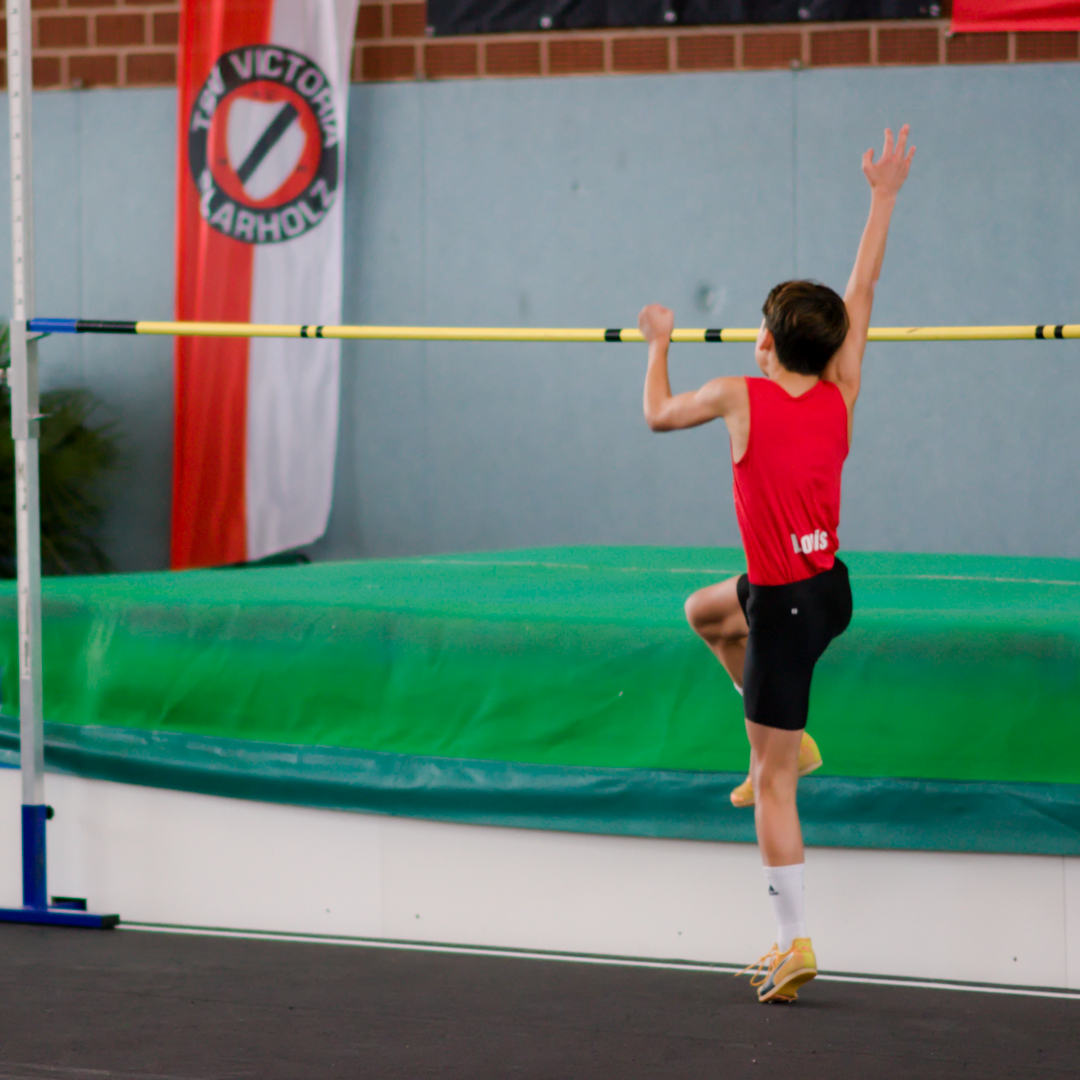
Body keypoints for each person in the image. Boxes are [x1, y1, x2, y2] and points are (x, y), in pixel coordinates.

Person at [639, 126, 915, 1004]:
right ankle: (790, 742)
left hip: (791, 609)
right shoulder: (844, 389)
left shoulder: (736, 394)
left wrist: (657, 341)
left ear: (766, 343)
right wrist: (881, 198)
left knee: (772, 788)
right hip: (822, 590)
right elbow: (863, 288)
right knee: (705, 613)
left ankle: (792, 941)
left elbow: (655, 416)